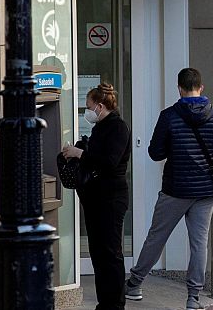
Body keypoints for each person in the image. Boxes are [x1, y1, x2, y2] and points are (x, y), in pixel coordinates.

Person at [125, 68, 213, 310]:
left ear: (179, 88)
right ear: (201, 87)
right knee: (199, 243)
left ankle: (135, 284)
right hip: (205, 191)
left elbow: (155, 153)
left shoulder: (169, 116)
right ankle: (193, 297)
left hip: (175, 189)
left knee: (157, 237)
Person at [62, 83, 131, 310]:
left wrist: (80, 153)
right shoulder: (100, 127)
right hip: (95, 197)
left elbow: (109, 161)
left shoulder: (118, 127)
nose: (87, 111)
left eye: (89, 106)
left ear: (100, 106)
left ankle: (115, 304)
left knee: (110, 253)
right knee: (98, 253)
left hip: (111, 197)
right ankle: (105, 303)